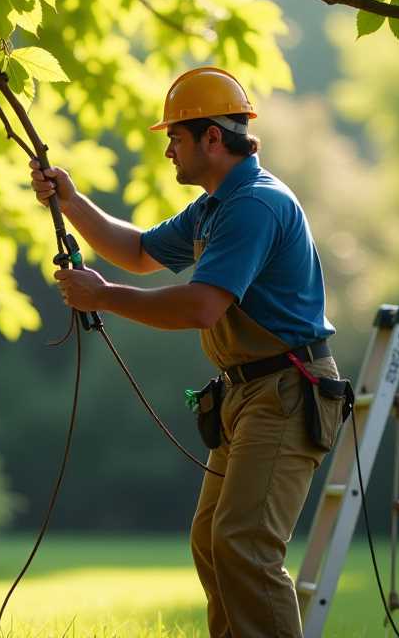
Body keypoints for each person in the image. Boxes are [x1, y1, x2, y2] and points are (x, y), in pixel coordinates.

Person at [29, 66, 340, 637]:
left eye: (176, 136)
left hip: (286, 392)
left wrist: (104, 296)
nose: (169, 150)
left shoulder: (253, 205)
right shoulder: (217, 205)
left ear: (213, 139)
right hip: (248, 393)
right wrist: (70, 202)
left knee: (244, 545)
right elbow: (141, 252)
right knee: (214, 541)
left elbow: (201, 307)